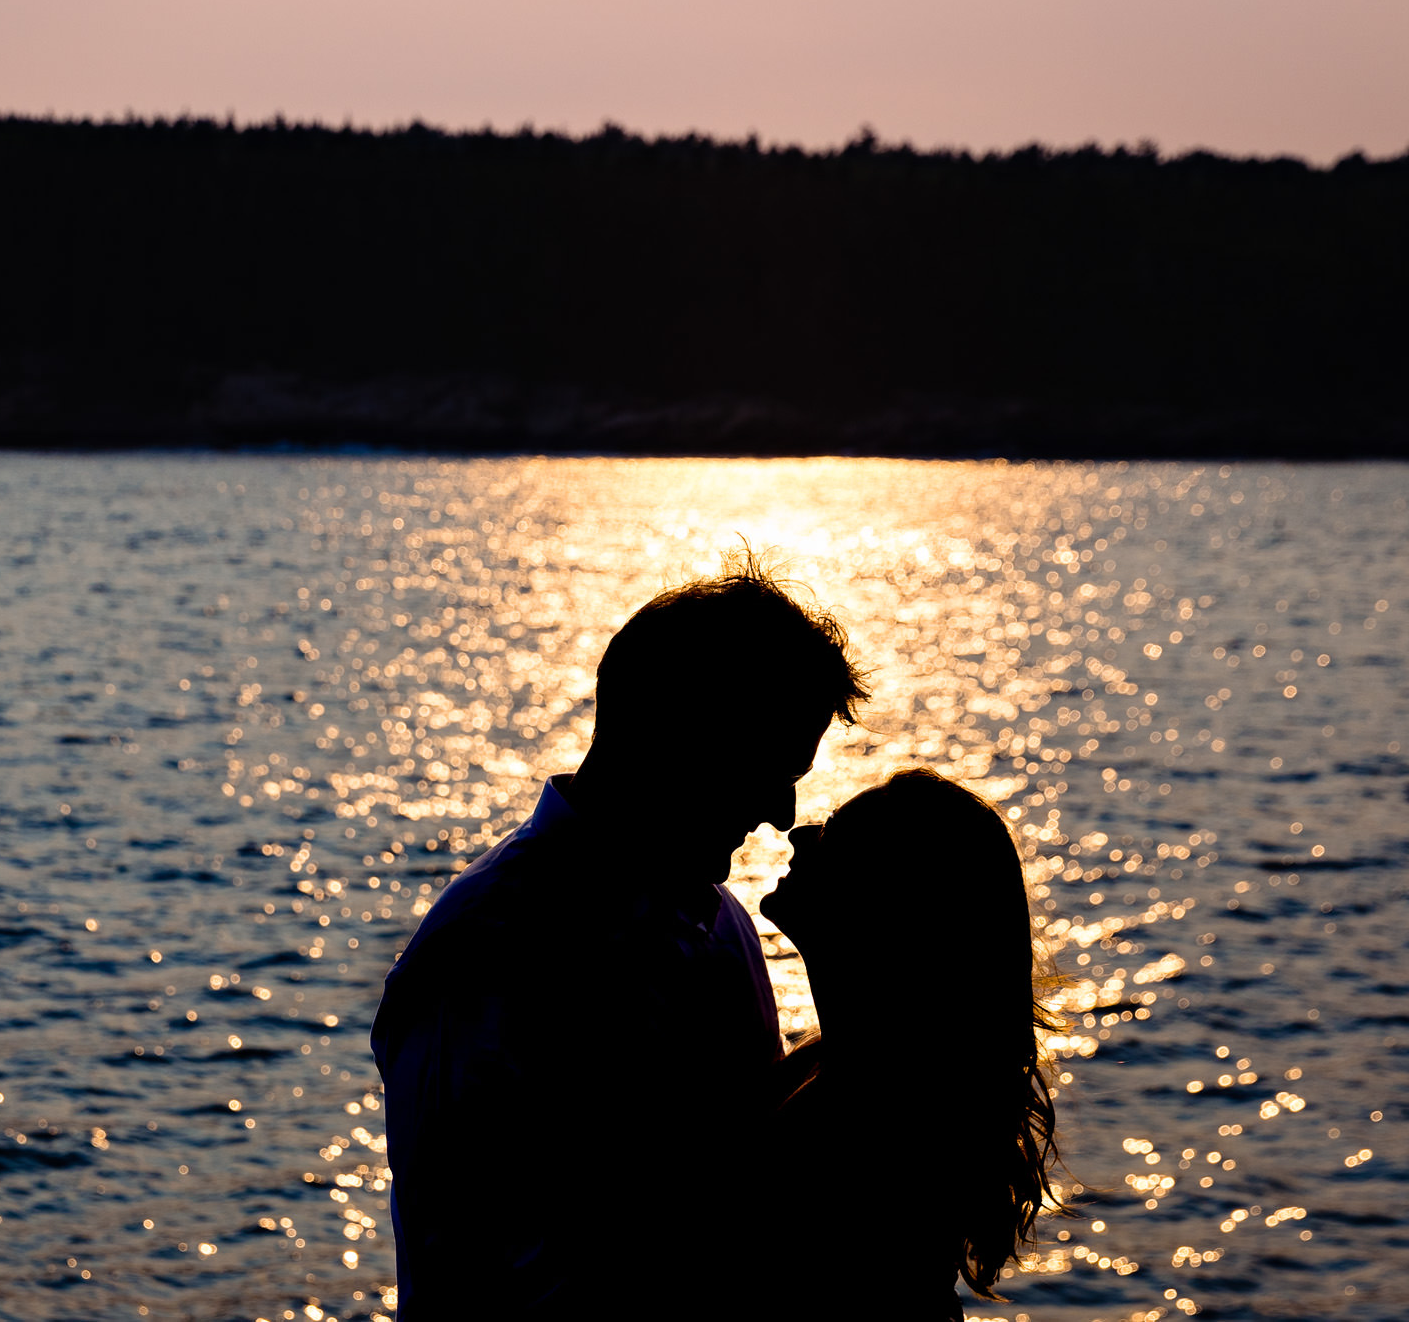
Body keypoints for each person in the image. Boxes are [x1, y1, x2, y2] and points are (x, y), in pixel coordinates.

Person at [370, 557, 869, 1317]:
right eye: (768, 766)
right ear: (678, 737)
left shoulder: (720, 925)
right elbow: (481, 1262)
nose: (779, 808)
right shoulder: (490, 954)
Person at [754, 768, 1066, 1315]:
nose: (799, 834)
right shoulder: (844, 1070)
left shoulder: (878, 1121)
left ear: (888, 901)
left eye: (833, 833)